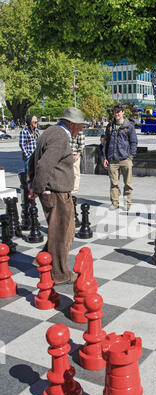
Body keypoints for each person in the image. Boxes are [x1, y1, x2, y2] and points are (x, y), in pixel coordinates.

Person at [28, 107, 85, 284]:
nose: (81, 130)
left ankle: (42, 260)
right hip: (57, 192)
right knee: (63, 234)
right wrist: (36, 189)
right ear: (71, 123)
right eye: (80, 126)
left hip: (52, 191)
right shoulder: (60, 137)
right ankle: (59, 274)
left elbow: (33, 159)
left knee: (58, 231)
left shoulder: (49, 132)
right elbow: (44, 164)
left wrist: (32, 184)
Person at [103, 104, 137, 211]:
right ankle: (115, 202)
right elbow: (106, 143)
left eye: (118, 111)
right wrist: (105, 157)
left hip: (125, 159)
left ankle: (127, 202)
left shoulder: (129, 126)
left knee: (128, 183)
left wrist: (131, 156)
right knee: (114, 183)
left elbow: (134, 142)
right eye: (115, 111)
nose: (116, 113)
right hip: (112, 159)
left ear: (123, 112)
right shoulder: (110, 126)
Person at [70, 129, 85, 194]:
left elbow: (81, 144)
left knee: (75, 173)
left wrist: (78, 155)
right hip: (65, 153)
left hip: (74, 154)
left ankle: (74, 189)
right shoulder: (65, 130)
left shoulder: (79, 130)